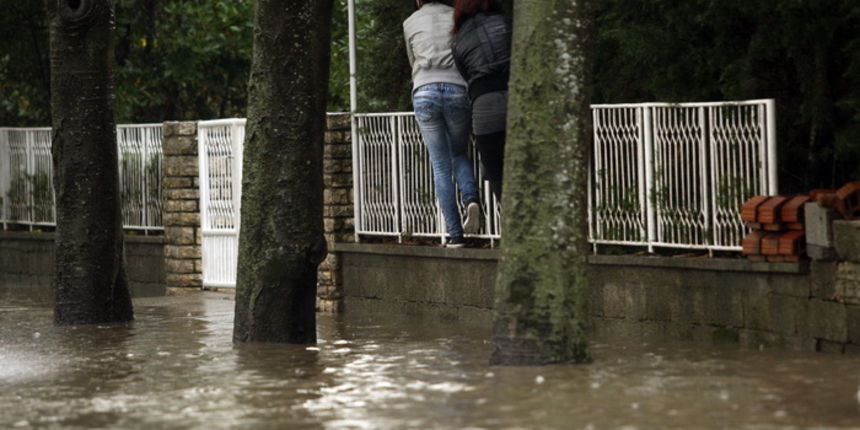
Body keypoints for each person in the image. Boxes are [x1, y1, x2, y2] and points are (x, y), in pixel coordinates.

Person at [404, 0, 482, 248]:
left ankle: (455, 235)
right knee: (458, 153)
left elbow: (412, 60)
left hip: (425, 90)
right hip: (457, 89)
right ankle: (471, 198)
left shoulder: (410, 22)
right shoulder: (456, 17)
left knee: (440, 165)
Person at [451, 0, 512, 202]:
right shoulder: (507, 23)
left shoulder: (458, 40)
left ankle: (507, 215)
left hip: (484, 108)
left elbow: (467, 77)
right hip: (516, 100)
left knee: (496, 174)